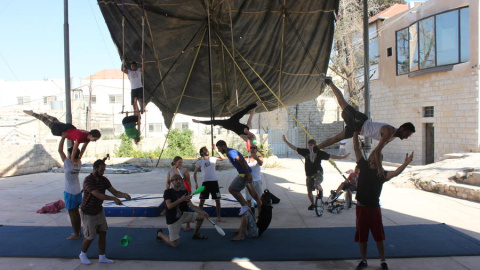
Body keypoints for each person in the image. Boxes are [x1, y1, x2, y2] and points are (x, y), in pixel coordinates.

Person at [317, 77, 415, 178]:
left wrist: (367, 164)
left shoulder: (392, 137)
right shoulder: (389, 131)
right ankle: (329, 81)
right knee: (342, 103)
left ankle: (315, 149)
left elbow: (376, 150)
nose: (407, 137)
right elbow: (377, 152)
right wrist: (380, 168)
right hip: (359, 121)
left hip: (358, 130)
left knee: (336, 138)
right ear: (402, 128)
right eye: (407, 134)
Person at [352, 131, 413, 270]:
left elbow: (395, 173)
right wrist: (355, 132)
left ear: (380, 160)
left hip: (374, 209)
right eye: (372, 157)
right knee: (362, 236)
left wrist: (406, 163)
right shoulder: (362, 166)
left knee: (378, 236)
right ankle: (363, 260)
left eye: (376, 157)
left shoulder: (381, 174)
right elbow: (356, 148)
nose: (373, 159)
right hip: (361, 208)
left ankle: (383, 260)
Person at [78, 159, 131, 265]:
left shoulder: (104, 180)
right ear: (95, 169)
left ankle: (102, 256)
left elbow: (115, 191)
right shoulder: (88, 180)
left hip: (98, 210)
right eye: (101, 170)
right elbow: (98, 194)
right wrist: (114, 199)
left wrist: (124, 195)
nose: (103, 172)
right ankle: (82, 254)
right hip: (88, 212)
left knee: (103, 232)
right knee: (90, 236)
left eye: (104, 170)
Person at [283, 135, 350, 210]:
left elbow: (331, 156)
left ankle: (320, 191)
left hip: (318, 172)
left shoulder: (320, 153)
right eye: (309, 145)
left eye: (311, 145)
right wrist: (286, 141)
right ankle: (313, 204)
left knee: (316, 184)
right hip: (309, 173)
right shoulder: (306, 152)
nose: (310, 147)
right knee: (309, 191)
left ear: (315, 145)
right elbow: (294, 147)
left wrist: (342, 157)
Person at [24, 110, 101, 164]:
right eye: (94, 139)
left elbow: (83, 148)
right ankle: (33, 113)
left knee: (56, 121)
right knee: (48, 123)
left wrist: (80, 156)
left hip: (70, 128)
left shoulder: (87, 136)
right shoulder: (82, 137)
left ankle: (46, 115)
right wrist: (73, 160)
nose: (94, 141)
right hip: (63, 131)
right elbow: (74, 149)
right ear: (91, 135)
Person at [156, 174, 209, 247]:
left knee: (201, 217)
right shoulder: (168, 192)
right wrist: (181, 200)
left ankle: (196, 234)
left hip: (183, 215)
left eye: (180, 179)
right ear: (172, 181)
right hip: (173, 219)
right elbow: (169, 206)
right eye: (176, 180)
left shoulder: (184, 192)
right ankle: (160, 234)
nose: (178, 181)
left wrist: (202, 212)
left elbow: (192, 206)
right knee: (174, 244)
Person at [215, 140, 262, 216]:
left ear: (224, 146)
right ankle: (259, 207)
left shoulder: (230, 152)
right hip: (245, 173)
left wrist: (248, 174)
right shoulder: (229, 152)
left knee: (232, 189)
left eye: (219, 148)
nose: (219, 150)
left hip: (244, 174)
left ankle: (245, 205)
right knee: (253, 194)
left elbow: (241, 161)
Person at [193, 100, 263, 142]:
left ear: (248, 136)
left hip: (228, 125)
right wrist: (255, 107)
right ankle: (256, 103)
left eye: (250, 136)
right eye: (252, 135)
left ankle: (199, 122)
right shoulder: (248, 127)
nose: (251, 134)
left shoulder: (242, 135)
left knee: (215, 121)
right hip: (234, 120)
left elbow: (249, 142)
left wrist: (255, 145)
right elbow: (251, 116)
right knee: (244, 111)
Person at [193, 145, 228, 222]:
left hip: (214, 182)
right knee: (202, 200)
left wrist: (216, 150)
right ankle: (199, 216)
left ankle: (218, 217)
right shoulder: (200, 162)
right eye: (205, 150)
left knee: (217, 200)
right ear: (202, 153)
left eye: (207, 149)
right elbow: (194, 173)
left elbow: (223, 158)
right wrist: (196, 183)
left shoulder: (213, 158)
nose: (207, 150)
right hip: (205, 183)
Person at [58, 132, 82, 240]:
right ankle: (78, 232)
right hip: (78, 192)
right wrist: (72, 137)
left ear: (70, 154)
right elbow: (74, 151)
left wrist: (63, 138)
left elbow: (59, 150)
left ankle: (75, 233)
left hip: (70, 192)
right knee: (76, 212)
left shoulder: (68, 162)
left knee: (72, 214)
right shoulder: (79, 162)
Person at [166, 156, 192, 231]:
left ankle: (188, 225)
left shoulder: (184, 170)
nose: (181, 163)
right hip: (174, 192)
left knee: (185, 208)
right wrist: (167, 190)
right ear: (174, 163)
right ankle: (178, 223)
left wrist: (189, 191)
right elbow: (168, 181)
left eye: (181, 162)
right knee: (177, 208)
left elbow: (188, 181)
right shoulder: (170, 171)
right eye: (179, 162)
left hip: (183, 191)